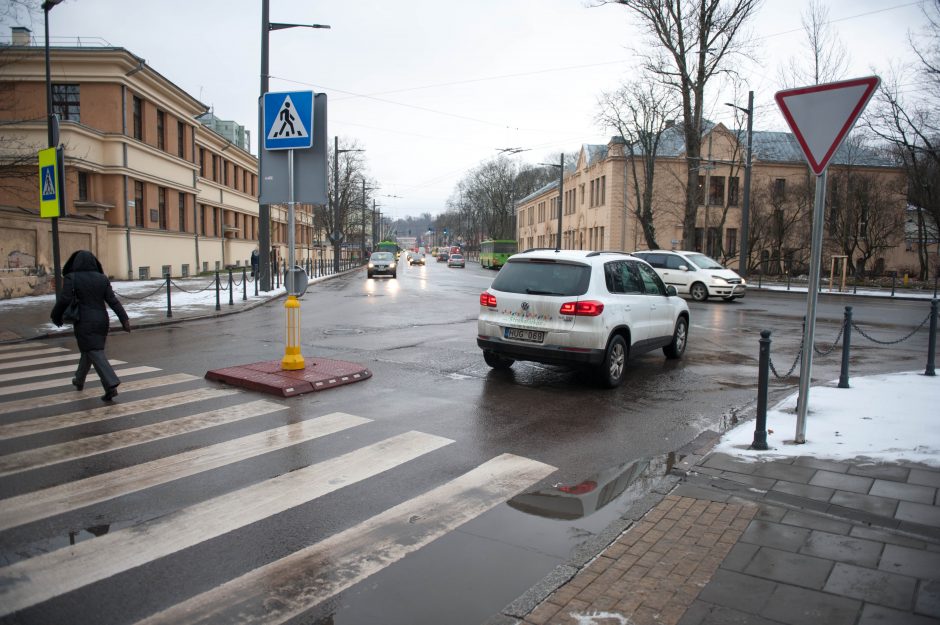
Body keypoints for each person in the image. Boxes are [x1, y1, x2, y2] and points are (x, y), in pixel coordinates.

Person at [51, 250, 131, 402]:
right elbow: (112, 301)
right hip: (102, 320)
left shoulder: (72, 277)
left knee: (94, 351)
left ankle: (110, 385)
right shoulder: (102, 278)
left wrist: (56, 316)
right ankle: (79, 380)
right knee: (88, 351)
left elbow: (64, 299)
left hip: (83, 321)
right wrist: (124, 319)